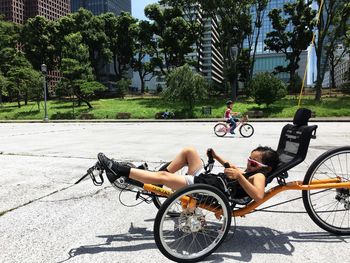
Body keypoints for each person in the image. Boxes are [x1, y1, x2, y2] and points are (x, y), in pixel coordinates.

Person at [97, 146, 279, 202]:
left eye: (253, 163)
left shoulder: (260, 176)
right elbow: (231, 166)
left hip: (210, 190)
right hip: (210, 181)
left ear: (265, 168)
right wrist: (215, 156)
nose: (248, 163)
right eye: (249, 159)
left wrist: (239, 176)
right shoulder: (250, 172)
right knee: (189, 152)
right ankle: (158, 182)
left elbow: (258, 196)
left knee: (163, 177)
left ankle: (118, 169)